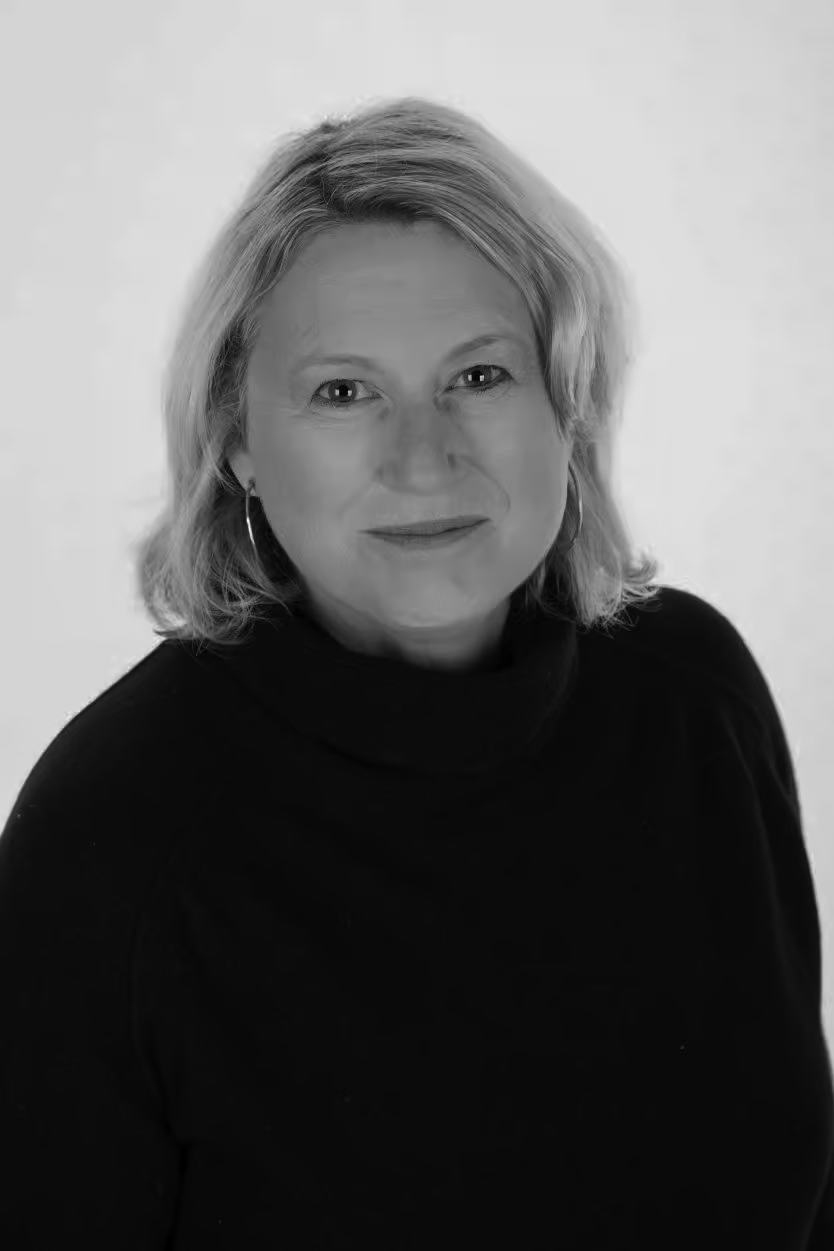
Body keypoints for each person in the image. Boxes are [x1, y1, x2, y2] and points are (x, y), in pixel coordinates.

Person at [1, 95, 831, 1249]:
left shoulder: (695, 695)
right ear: (238, 434)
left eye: (480, 377)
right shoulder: (119, 836)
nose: (423, 456)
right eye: (344, 392)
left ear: (567, 397)